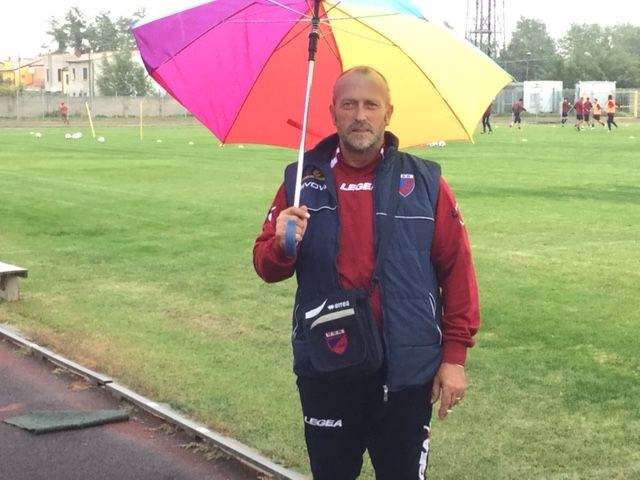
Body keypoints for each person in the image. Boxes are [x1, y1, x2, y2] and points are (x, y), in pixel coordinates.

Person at [253, 66, 480, 480]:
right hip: (328, 365)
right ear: (332, 113)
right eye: (349, 105)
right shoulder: (301, 181)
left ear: (388, 113)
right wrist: (283, 244)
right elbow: (266, 266)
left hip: (406, 372)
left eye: (370, 105)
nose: (360, 115)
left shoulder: (426, 182)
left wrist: (454, 358)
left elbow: (457, 270)